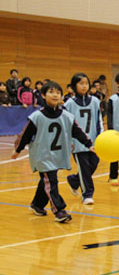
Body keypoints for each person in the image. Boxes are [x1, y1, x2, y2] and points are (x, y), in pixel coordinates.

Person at [12, 81, 94, 223]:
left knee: (46, 181)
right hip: (42, 155)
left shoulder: (66, 116)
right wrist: (17, 149)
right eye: (51, 92)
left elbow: (77, 131)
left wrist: (89, 144)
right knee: (51, 181)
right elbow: (25, 134)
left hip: (57, 154)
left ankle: (37, 205)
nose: (55, 95)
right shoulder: (37, 116)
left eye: (57, 92)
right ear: (43, 95)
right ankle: (59, 211)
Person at [65, 73, 104, 205]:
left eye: (86, 83)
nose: (84, 86)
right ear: (74, 86)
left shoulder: (95, 101)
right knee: (84, 168)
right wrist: (69, 141)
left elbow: (99, 120)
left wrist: (101, 136)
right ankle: (87, 194)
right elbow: (67, 124)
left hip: (93, 141)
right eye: (81, 83)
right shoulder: (69, 104)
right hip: (77, 143)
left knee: (93, 164)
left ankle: (74, 180)